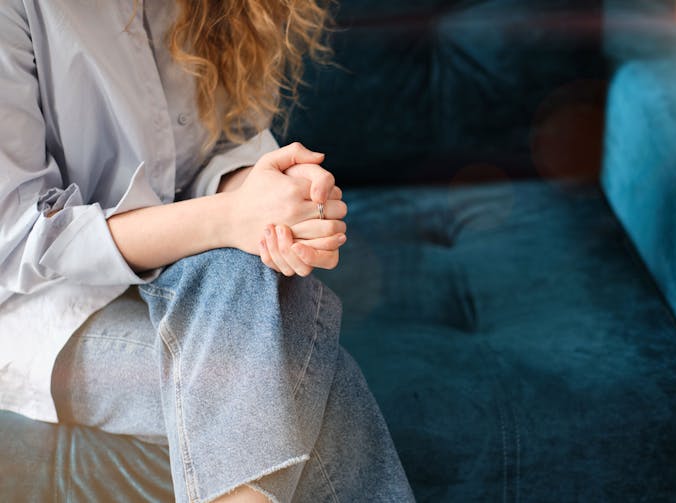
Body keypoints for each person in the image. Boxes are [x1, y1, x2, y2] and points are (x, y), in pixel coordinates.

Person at [0, 1, 415, 502]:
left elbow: (209, 160)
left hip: (187, 271)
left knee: (238, 269)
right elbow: (21, 235)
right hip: (42, 308)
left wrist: (275, 194)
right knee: (312, 392)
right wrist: (230, 217)